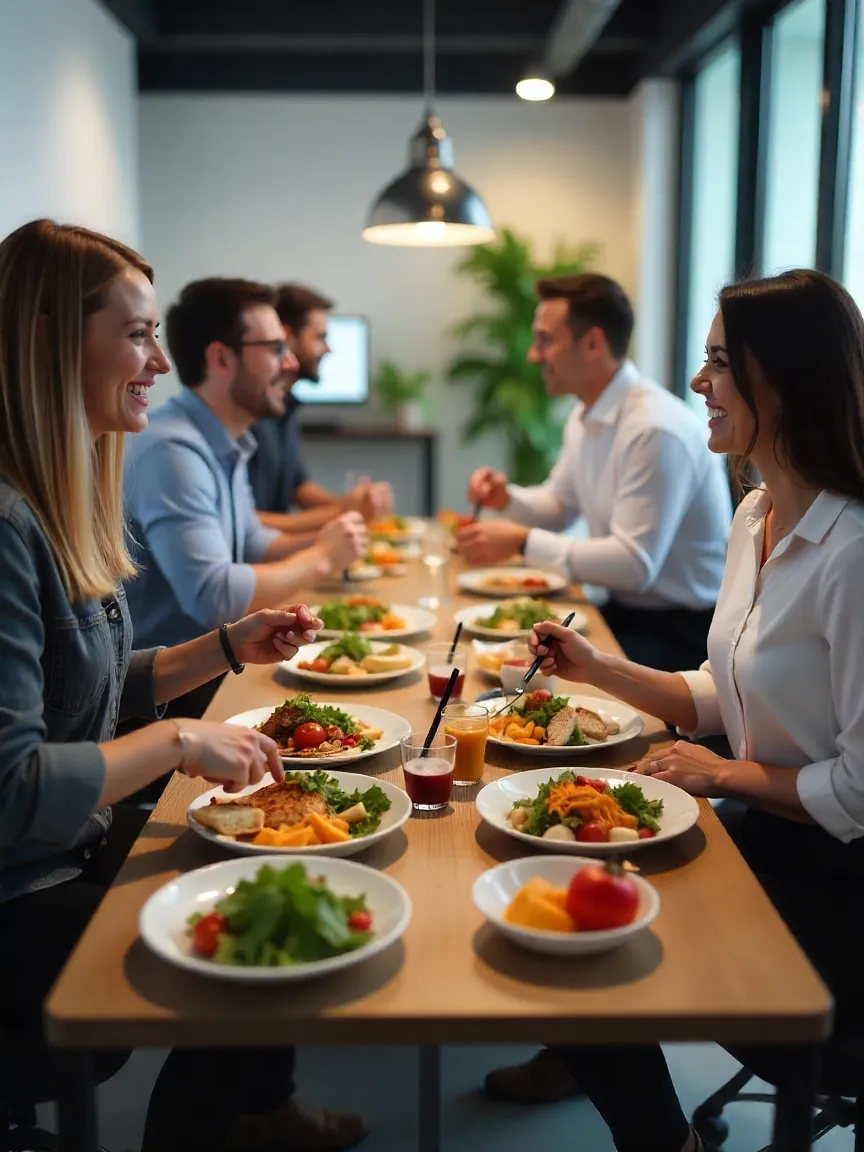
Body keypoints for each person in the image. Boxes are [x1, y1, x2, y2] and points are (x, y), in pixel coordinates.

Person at [0, 219, 367, 1151]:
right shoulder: (6, 526)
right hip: (19, 886)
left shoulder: (57, 497)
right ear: (52, 342)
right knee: (248, 950)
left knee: (275, 860)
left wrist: (228, 645)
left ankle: (260, 1113)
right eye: (137, 336)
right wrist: (177, 739)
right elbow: (14, 786)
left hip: (65, 847)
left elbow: (87, 684)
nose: (159, 364)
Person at [484, 268, 864, 1151]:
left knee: (584, 940)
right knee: (564, 894)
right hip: (767, 840)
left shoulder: (851, 553)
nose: (699, 381)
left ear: (784, 380)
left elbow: (857, 790)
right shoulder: (757, 513)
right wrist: (596, 668)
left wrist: (723, 774)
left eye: (721, 363)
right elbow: (721, 689)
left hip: (838, 887)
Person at [459, 273, 732, 672]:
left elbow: (634, 564)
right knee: (507, 657)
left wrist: (522, 541)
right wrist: (507, 498)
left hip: (682, 637)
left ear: (592, 344)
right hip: (626, 613)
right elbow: (559, 505)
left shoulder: (654, 428)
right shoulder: (586, 413)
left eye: (544, 341)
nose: (533, 355)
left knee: (525, 669)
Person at [123, 277, 367, 716]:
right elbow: (214, 596)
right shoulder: (173, 449)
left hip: (214, 671)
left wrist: (328, 539)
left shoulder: (224, 438)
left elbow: (253, 541)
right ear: (221, 357)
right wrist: (322, 557)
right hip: (165, 699)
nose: (290, 362)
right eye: (275, 348)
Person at [248, 283, 392, 531]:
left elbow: (297, 487)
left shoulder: (286, 405)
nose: (328, 349)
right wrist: (343, 512)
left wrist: (349, 502)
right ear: (287, 337)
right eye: (320, 337)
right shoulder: (247, 412)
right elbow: (243, 523)